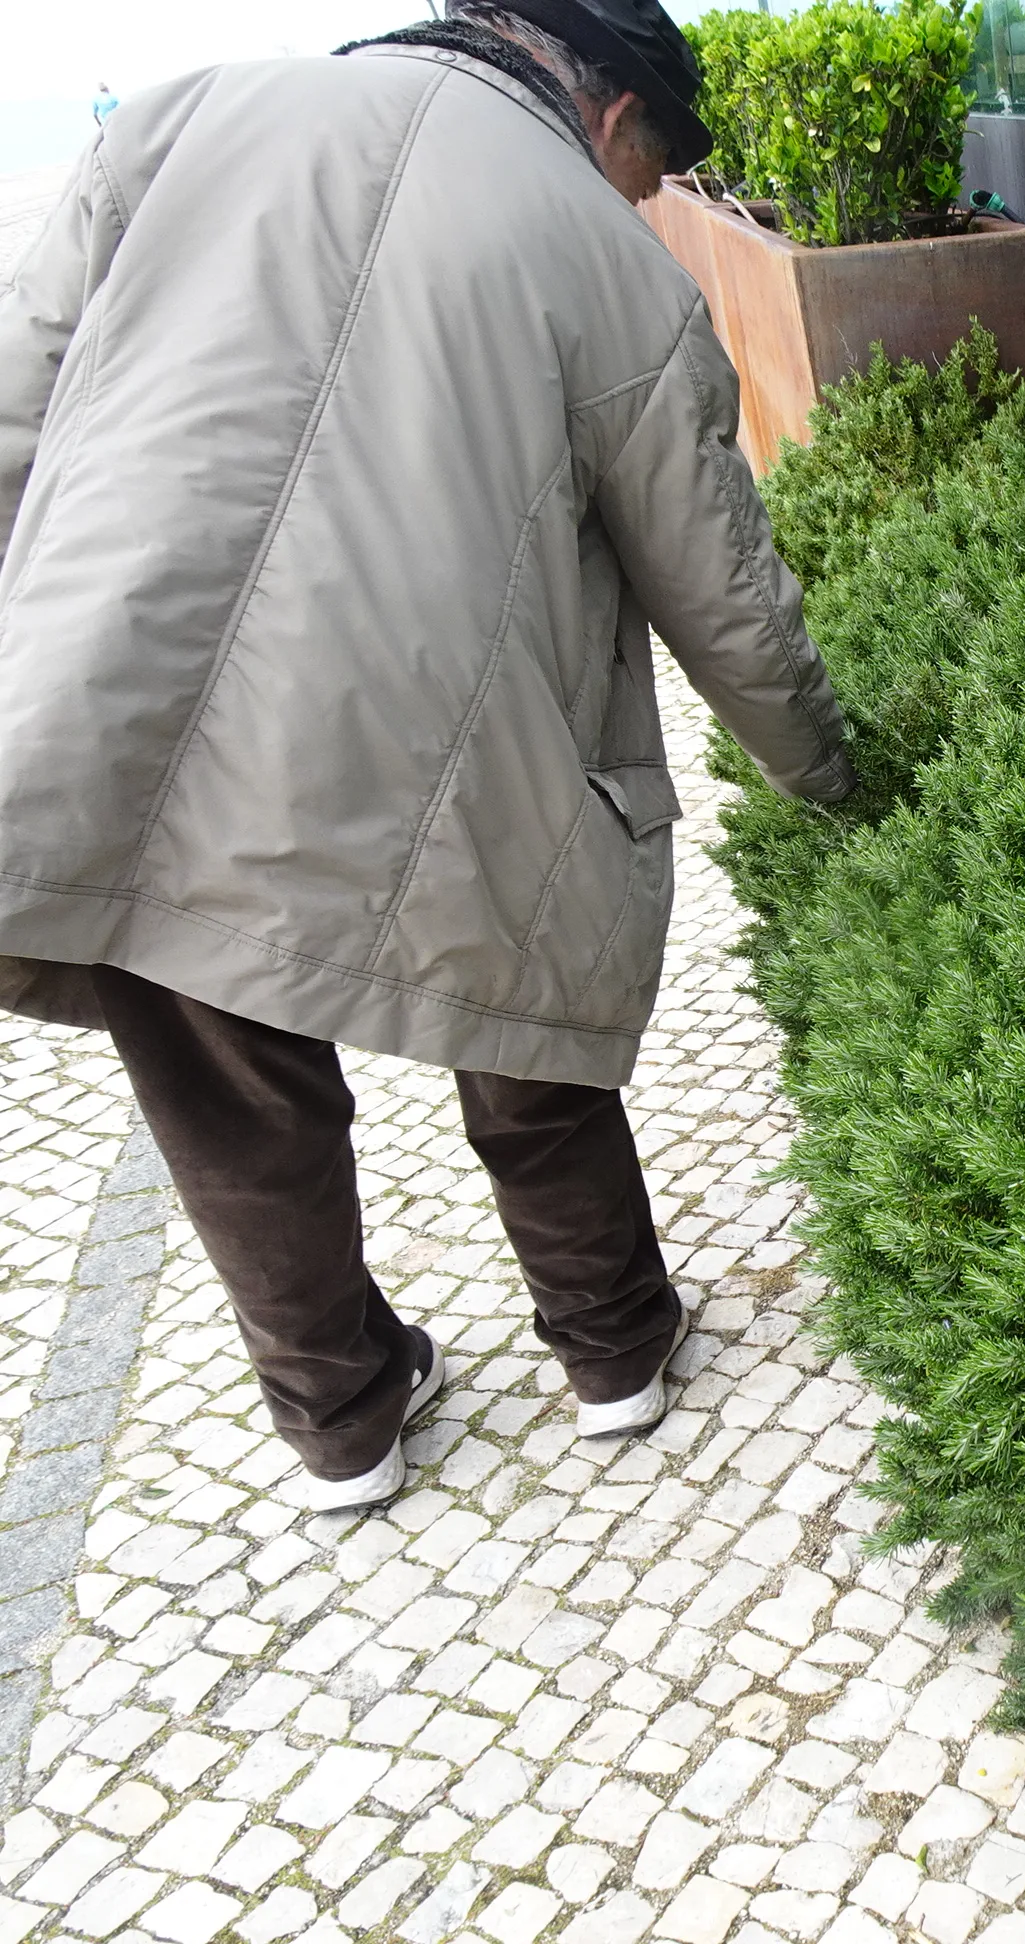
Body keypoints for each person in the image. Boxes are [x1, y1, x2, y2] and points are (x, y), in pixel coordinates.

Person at [0, 0, 854, 1513]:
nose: (638, 203)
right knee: (524, 1008)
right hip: (460, 731)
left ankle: (344, 1423)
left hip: (125, 700)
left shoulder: (178, 118)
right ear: (608, 118)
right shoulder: (610, 263)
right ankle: (616, 1350)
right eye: (648, 174)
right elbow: (719, 588)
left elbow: (13, 411)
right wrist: (832, 777)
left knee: (223, 1078)